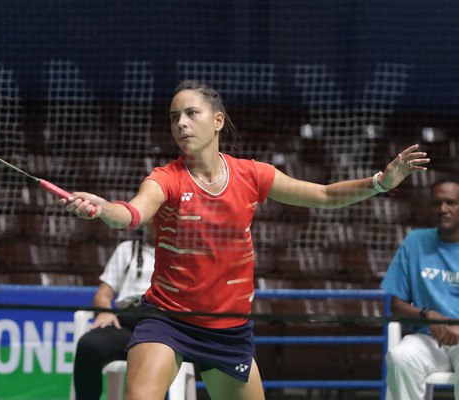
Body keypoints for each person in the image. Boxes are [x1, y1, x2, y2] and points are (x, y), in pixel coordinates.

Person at [61, 80, 429, 400]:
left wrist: (381, 182)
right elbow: (134, 213)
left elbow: (325, 196)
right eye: (174, 117)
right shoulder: (166, 178)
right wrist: (105, 208)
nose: (182, 123)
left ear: (218, 121)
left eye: (191, 113)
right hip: (167, 318)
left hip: (228, 328)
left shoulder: (252, 175)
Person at [381, 178, 459, 400]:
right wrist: (426, 314)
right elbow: (395, 304)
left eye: (451, 203)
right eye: (437, 203)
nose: (443, 209)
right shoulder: (415, 242)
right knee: (400, 357)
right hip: (426, 339)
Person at [73, 228, 155, 400]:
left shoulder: (181, 253)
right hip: (128, 321)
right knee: (89, 345)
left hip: (161, 323)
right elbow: (103, 294)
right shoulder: (126, 249)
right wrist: (105, 311)